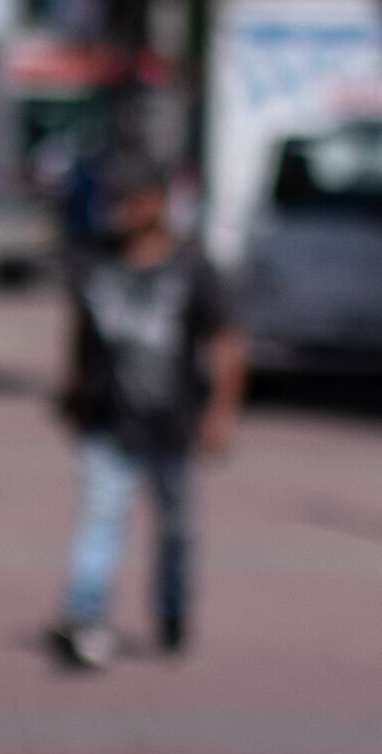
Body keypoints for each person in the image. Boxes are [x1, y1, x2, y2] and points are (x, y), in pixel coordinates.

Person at [47, 166, 242, 666]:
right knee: (101, 514)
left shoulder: (193, 267)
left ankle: (172, 609)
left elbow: (226, 342)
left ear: (156, 203)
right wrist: (70, 391)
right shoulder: (94, 260)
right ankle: (84, 616)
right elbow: (78, 331)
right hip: (107, 418)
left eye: (129, 200)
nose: (118, 211)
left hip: (171, 422)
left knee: (176, 528)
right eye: (114, 199)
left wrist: (221, 413)